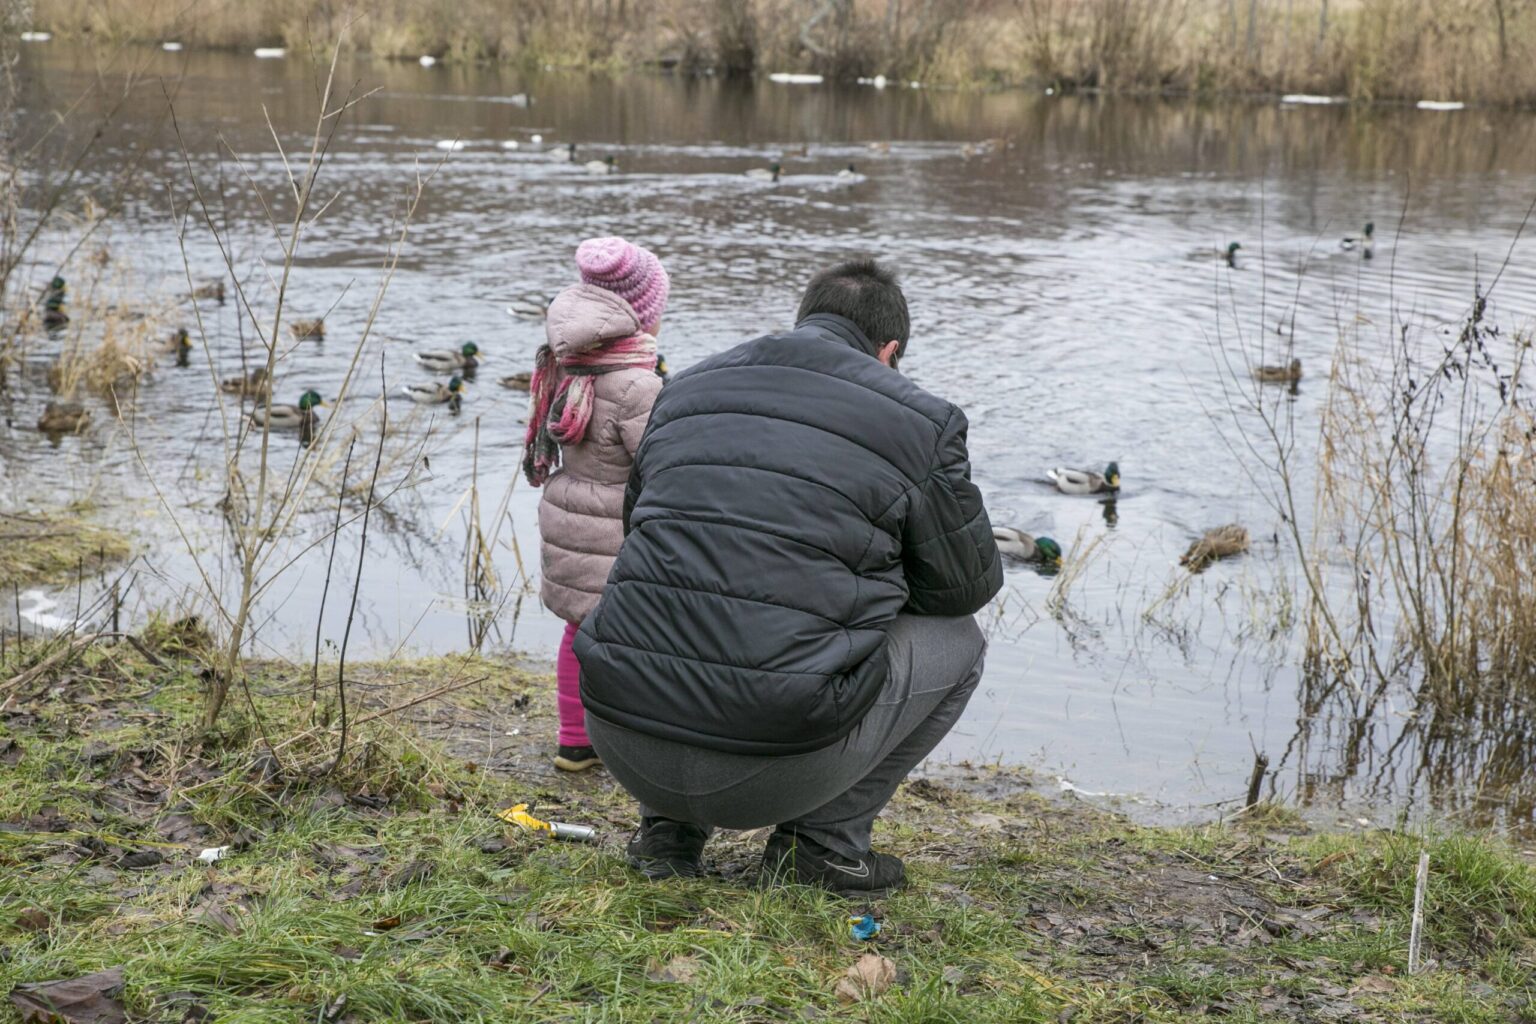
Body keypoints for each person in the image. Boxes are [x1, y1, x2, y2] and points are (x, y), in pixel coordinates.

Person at [575, 258, 1002, 894]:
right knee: (960, 642)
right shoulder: (923, 422)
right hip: (766, 770)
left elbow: (640, 532)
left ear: (803, 320)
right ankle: (823, 848)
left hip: (623, 736)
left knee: (682, 581)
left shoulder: (684, 389)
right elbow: (961, 589)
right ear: (889, 352)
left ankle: (666, 835)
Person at [523, 236, 668, 772]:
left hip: (570, 513)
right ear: (641, 316)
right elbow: (657, 462)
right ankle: (630, 738)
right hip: (616, 527)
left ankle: (574, 741)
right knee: (634, 637)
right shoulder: (636, 384)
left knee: (577, 632)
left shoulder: (568, 363)